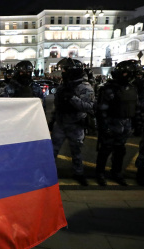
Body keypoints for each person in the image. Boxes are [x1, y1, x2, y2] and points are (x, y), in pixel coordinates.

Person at [49, 58, 95, 186]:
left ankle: (78, 173)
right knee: (52, 151)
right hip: (61, 122)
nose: (62, 72)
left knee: (76, 151)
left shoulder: (84, 87)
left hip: (76, 123)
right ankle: (48, 173)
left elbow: (88, 106)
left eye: (64, 69)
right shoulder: (64, 85)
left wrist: (72, 97)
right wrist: (52, 120)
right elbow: (57, 104)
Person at [95, 60, 140, 186]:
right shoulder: (109, 89)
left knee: (120, 151)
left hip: (125, 125)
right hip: (111, 124)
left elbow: (136, 107)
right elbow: (101, 110)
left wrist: (136, 124)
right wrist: (104, 127)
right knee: (105, 150)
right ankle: (100, 173)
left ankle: (116, 172)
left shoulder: (132, 89)